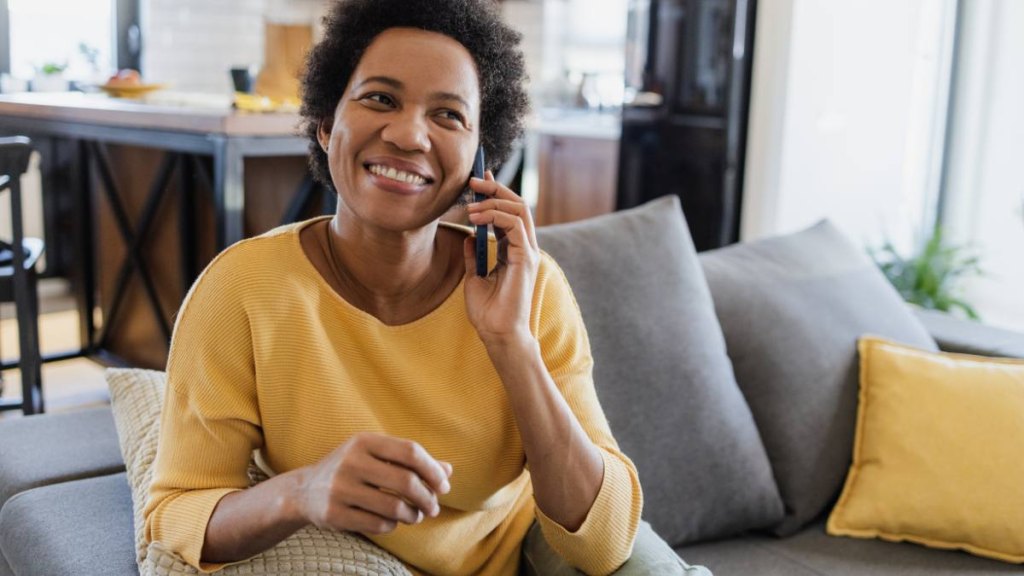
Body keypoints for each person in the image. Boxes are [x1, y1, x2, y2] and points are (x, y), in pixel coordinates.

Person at [145, 0, 706, 574]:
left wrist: (511, 340)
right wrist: (300, 492)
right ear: (327, 125)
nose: (410, 135)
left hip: (528, 548)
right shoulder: (242, 290)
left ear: (480, 159)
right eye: (380, 99)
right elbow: (174, 514)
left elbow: (605, 543)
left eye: (448, 115)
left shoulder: (531, 288)